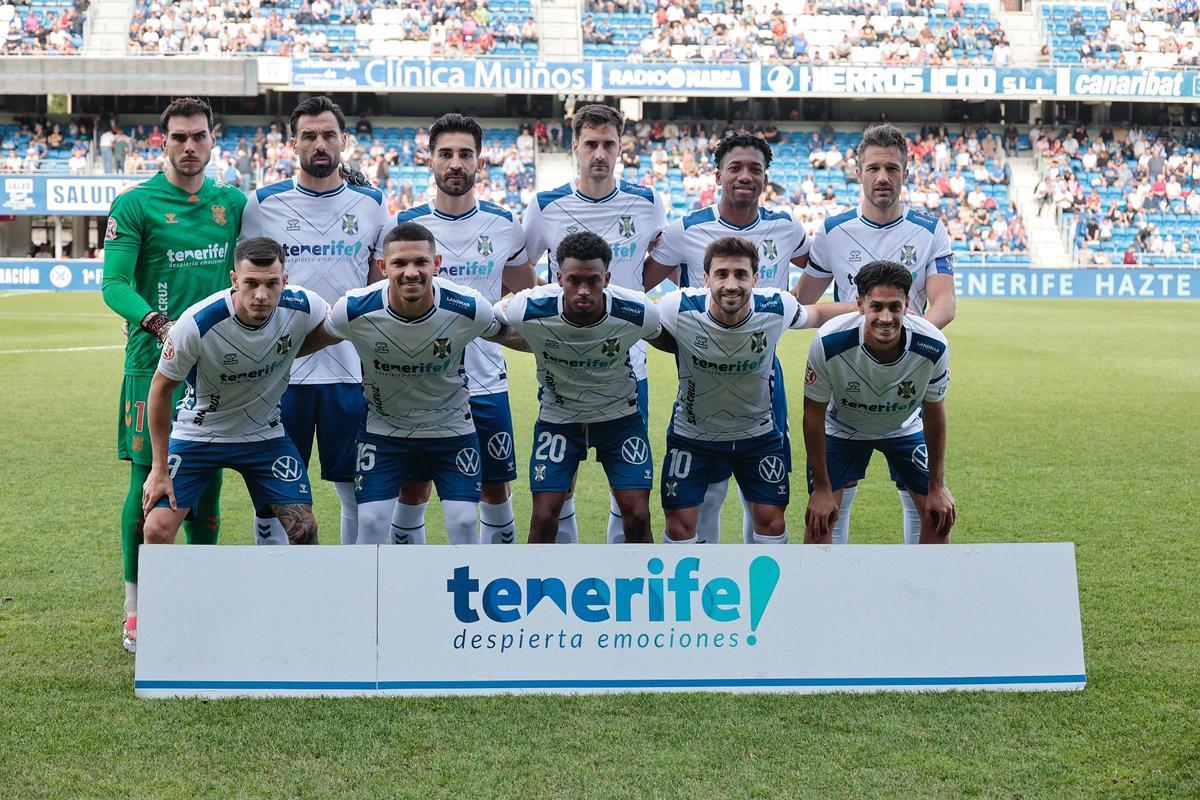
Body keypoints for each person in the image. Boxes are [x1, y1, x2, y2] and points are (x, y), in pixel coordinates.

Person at [101, 97, 246, 654]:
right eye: (179, 137)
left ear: (214, 141)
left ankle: (197, 594)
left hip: (218, 367)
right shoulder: (135, 204)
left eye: (199, 137)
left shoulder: (230, 203)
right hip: (153, 365)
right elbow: (115, 285)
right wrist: (158, 324)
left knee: (205, 485)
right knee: (146, 480)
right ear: (162, 141)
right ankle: (136, 605)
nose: (190, 146)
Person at [643, 133, 813, 544]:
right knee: (708, 494)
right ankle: (710, 589)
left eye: (755, 168)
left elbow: (824, 268)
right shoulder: (684, 230)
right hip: (702, 371)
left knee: (762, 501)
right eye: (735, 167)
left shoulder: (786, 227)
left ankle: (755, 589)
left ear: (766, 176)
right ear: (718, 174)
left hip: (760, 371)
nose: (745, 176)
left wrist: (794, 310)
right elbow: (639, 284)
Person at [795, 122, 956, 546]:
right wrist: (859, 327)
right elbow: (804, 303)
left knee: (928, 512)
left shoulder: (928, 229)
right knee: (828, 513)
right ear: (858, 172)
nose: (882, 178)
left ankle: (921, 600)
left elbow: (945, 304)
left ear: (905, 172)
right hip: (847, 380)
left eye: (892, 168)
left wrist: (905, 344)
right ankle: (831, 598)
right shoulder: (833, 231)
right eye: (873, 169)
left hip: (904, 383)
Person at [239, 95, 390, 546]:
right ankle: (274, 591)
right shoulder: (263, 204)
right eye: (309, 136)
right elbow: (249, 286)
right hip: (280, 375)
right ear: (293, 143)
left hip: (349, 372)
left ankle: (352, 588)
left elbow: (375, 283)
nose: (319, 144)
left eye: (328, 135)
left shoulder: (371, 203)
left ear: (344, 141)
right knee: (274, 498)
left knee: (355, 494)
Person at [299, 222, 500, 545]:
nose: (411, 272)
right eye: (399, 263)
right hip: (384, 431)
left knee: (463, 523)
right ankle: (373, 595)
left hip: (451, 431)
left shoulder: (467, 307)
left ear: (436, 264)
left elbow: (514, 334)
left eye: (421, 262)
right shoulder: (354, 309)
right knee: (372, 521)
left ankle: (459, 594)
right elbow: (311, 342)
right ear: (382, 267)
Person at [521, 104, 667, 544]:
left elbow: (658, 264)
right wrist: (549, 323)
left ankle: (620, 580)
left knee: (627, 495)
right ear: (574, 148)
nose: (599, 153)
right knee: (556, 493)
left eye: (608, 144)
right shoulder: (545, 205)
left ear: (621, 148)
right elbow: (523, 266)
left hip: (628, 365)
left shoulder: (647, 202)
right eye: (591, 144)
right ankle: (560, 579)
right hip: (563, 365)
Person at [648, 237, 851, 544]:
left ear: (755, 278)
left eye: (741, 274)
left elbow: (818, 315)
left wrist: (865, 307)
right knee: (679, 526)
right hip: (693, 435)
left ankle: (769, 592)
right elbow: (638, 316)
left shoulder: (776, 307)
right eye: (722, 274)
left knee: (771, 523)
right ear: (706, 279)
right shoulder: (679, 307)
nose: (731, 284)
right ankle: (692, 589)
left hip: (757, 436)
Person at [395, 114, 537, 545]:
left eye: (465, 154)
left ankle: (495, 589)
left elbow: (527, 295)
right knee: (414, 487)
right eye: (446, 154)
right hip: (421, 383)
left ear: (479, 163)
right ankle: (410, 586)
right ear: (430, 161)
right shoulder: (407, 226)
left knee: (495, 487)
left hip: (486, 382)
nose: (455, 163)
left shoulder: (503, 223)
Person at [141, 238, 328, 550]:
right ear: (234, 280)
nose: (261, 295)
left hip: (264, 435)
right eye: (251, 283)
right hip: (198, 434)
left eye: (271, 284)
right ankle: (164, 600)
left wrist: (287, 354)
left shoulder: (304, 306)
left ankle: (293, 598)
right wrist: (159, 468)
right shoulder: (197, 324)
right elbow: (160, 389)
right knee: (157, 530)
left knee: (303, 530)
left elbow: (335, 327)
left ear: (284, 281)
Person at [493, 232, 661, 544]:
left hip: (620, 419)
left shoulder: (637, 310)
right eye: (573, 281)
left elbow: (664, 336)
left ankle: (643, 588)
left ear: (607, 278)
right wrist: (539, 345)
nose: (583, 290)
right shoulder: (528, 307)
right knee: (543, 516)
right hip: (560, 419)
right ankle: (538, 588)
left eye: (593, 281)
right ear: (558, 278)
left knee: (637, 513)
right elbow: (491, 324)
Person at [802, 260, 955, 545]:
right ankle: (822, 589)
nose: (886, 317)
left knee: (939, 516)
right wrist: (821, 488)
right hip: (841, 427)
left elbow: (934, 413)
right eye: (877, 307)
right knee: (819, 520)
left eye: (895, 307)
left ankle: (929, 589)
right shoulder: (829, 341)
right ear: (860, 304)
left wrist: (937, 486)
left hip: (903, 427)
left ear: (907, 303)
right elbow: (813, 413)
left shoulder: (933, 345)